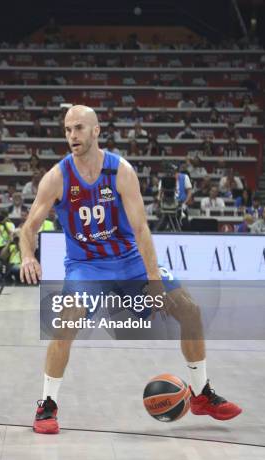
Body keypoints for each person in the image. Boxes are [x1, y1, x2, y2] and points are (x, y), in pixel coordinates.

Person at [18, 105, 241, 435]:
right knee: (66, 323)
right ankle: (47, 404)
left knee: (190, 311)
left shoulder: (120, 171)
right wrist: (27, 256)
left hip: (131, 260)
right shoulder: (57, 177)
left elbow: (141, 229)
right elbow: (29, 227)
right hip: (86, 266)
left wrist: (154, 280)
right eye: (67, 129)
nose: (72, 136)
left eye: (79, 128)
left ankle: (201, 394)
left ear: (96, 131)